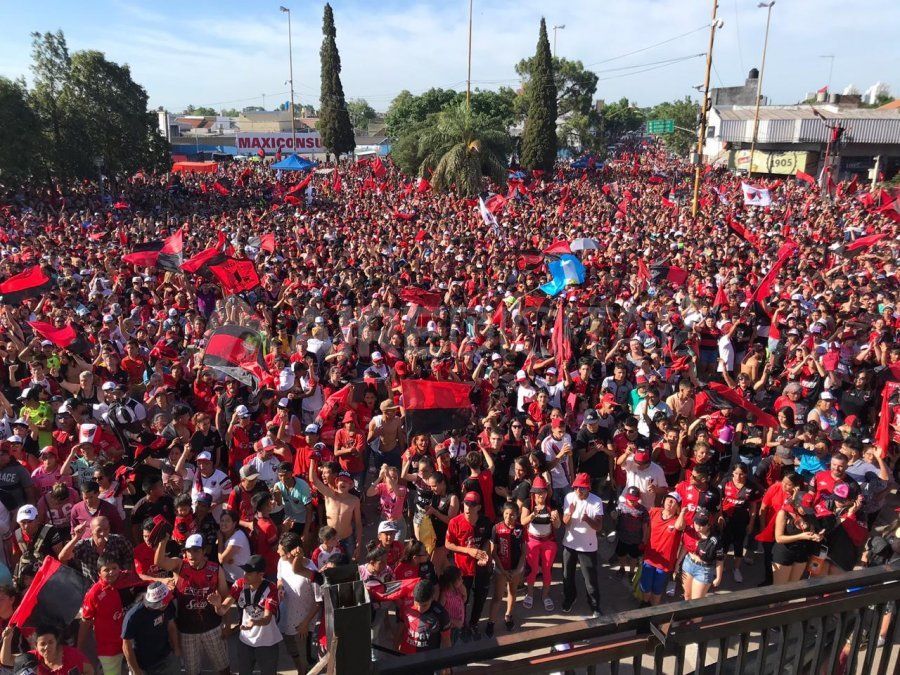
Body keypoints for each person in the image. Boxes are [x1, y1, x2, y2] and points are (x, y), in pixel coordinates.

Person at [152, 532, 230, 675]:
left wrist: (227, 624)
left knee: (223, 667)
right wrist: (163, 542)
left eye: (196, 550)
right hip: (187, 630)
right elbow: (160, 562)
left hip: (212, 627)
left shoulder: (216, 569)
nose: (191, 554)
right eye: (188, 551)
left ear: (204, 550)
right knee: (192, 671)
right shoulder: (179, 564)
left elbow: (226, 597)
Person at [208, 554, 282, 675]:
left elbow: (267, 618)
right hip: (245, 640)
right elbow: (222, 610)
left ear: (260, 574)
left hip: (267, 642)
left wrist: (254, 622)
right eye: (245, 571)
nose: (245, 575)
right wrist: (217, 604)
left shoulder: (271, 589)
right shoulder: (239, 584)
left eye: (249, 572)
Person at [78, 556, 144, 675]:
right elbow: (85, 621)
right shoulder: (94, 593)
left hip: (132, 641)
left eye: (114, 568)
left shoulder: (128, 578)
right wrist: (79, 648)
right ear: (99, 573)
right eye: (106, 570)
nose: (111, 572)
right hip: (108, 647)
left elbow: (143, 582)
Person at [444, 491, 493, 641]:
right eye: (466, 503)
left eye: (472, 504)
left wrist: (484, 553)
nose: (468, 507)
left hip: (481, 568)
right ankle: (463, 625)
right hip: (463, 569)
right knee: (462, 598)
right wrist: (468, 551)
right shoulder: (455, 522)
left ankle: (474, 624)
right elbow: (448, 544)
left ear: (478, 507)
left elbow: (488, 541)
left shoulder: (486, 522)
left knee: (480, 597)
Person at [276, 532, 322, 673]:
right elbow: (279, 579)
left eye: (281, 552)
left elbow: (319, 601)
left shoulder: (311, 571)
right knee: (292, 650)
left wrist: (305, 624)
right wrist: (280, 588)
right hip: (285, 618)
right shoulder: (282, 562)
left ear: (291, 553)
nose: (278, 552)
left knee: (304, 658)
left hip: (302, 626)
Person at [561, 473, 604, 616]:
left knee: (590, 579)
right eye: (577, 487)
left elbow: (598, 527)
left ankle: (594, 605)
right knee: (567, 575)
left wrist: (587, 519)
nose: (579, 491)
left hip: (588, 546)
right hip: (569, 544)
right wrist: (570, 513)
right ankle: (570, 598)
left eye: (583, 488)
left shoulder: (596, 501)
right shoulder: (569, 498)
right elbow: (565, 523)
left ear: (589, 488)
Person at [121, 581, 182, 675]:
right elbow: (126, 646)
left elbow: (171, 626)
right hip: (143, 664)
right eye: (163, 603)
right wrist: (136, 670)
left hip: (166, 657)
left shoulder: (167, 605)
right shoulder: (133, 616)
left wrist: (176, 648)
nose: (165, 604)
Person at [520, 476, 559, 612]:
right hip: (532, 541)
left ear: (546, 492)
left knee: (547, 569)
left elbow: (558, 526)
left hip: (548, 541)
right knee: (532, 569)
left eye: (542, 492)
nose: (540, 495)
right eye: (537, 492)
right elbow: (523, 521)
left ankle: (545, 595)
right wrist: (532, 515)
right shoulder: (527, 503)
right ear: (533, 493)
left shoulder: (551, 504)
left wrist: (556, 519)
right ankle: (529, 593)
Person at [641, 492, 687, 606]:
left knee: (657, 588)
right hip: (650, 557)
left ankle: (654, 609)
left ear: (677, 506)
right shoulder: (654, 511)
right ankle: (645, 604)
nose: (669, 503)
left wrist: (681, 513)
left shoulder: (678, 520)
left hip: (665, 563)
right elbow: (644, 524)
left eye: (673, 502)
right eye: (668, 499)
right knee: (646, 586)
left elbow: (679, 527)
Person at [488, 501, 525, 635]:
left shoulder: (521, 529)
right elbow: (493, 552)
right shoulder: (496, 528)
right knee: (497, 597)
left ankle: (508, 615)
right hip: (500, 569)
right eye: (506, 514)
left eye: (512, 515)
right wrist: (503, 571)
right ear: (503, 514)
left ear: (517, 515)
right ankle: (491, 622)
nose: (509, 517)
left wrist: (517, 570)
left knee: (512, 592)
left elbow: (523, 552)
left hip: (515, 569)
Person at [58, 516, 133, 582]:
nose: (102, 533)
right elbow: (62, 557)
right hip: (93, 589)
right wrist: (76, 537)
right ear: (91, 532)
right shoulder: (84, 545)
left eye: (106, 529)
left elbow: (131, 560)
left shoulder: (119, 541)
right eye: (99, 530)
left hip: (117, 585)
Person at [1, 624, 93, 675]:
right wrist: (7, 639)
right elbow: (6, 660)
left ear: (57, 642)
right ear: (36, 646)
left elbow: (89, 671)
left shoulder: (73, 655)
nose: (47, 647)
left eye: (50, 642)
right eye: (43, 644)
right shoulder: (31, 658)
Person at [680, 509, 724, 600]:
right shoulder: (691, 530)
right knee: (687, 596)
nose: (698, 526)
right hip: (688, 563)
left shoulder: (715, 540)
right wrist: (678, 563)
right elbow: (685, 546)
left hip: (704, 570)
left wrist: (718, 577)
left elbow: (720, 560)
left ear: (709, 525)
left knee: (697, 602)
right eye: (696, 522)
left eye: (702, 524)